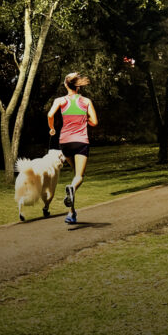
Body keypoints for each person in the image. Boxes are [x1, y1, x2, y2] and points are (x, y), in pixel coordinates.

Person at [47, 72, 98, 224]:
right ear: (78, 85)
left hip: (65, 142)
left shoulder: (60, 100)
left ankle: (71, 213)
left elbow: (50, 114)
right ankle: (71, 189)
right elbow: (94, 122)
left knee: (75, 174)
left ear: (65, 85)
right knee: (79, 177)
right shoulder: (86, 101)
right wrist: (84, 118)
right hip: (81, 142)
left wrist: (52, 128)